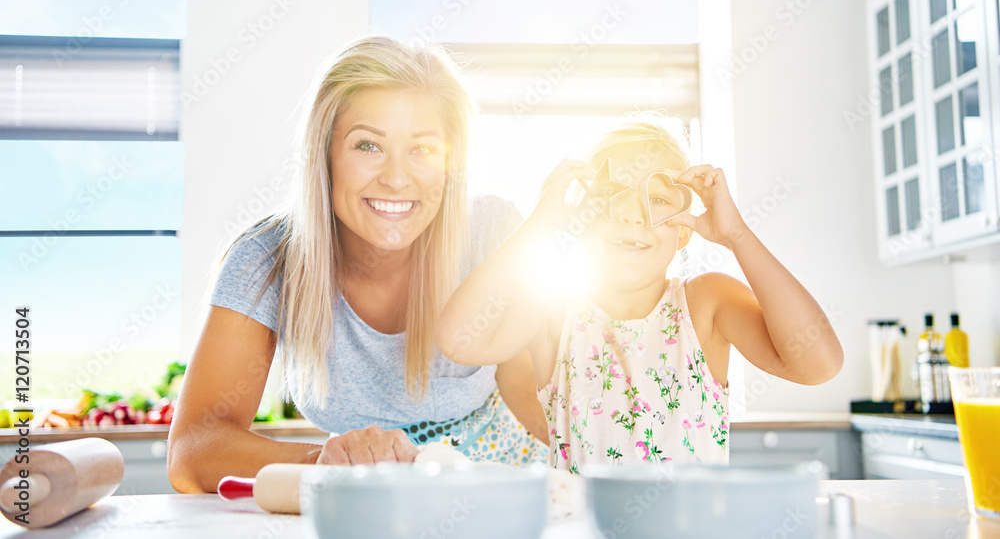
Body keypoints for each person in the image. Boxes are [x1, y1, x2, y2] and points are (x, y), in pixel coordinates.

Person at [168, 37, 547, 494]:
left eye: (423, 149)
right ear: (324, 155)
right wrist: (329, 461)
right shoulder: (266, 261)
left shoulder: (493, 232)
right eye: (368, 145)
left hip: (499, 484)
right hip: (365, 496)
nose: (396, 178)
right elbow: (193, 451)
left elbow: (537, 390)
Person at [436, 119, 844, 473]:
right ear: (581, 217)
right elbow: (457, 339)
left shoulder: (707, 304)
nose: (633, 215)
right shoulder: (551, 310)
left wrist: (736, 235)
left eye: (659, 200)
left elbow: (819, 365)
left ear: (684, 228)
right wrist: (540, 223)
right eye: (611, 196)